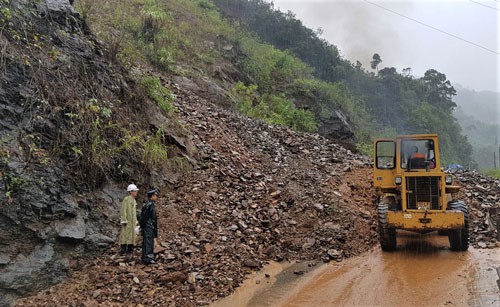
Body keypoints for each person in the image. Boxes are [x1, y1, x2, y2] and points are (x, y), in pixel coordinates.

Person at [140, 188, 159, 265]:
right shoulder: (150, 205)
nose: (156, 197)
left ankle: (145, 257)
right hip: (149, 226)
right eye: (155, 195)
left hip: (147, 226)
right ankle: (148, 257)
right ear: (152, 196)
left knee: (146, 241)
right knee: (148, 242)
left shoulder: (147, 204)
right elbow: (146, 217)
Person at [119, 184, 139, 254]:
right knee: (125, 235)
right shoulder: (126, 199)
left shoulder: (133, 200)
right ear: (131, 192)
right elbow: (123, 209)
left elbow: (134, 212)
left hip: (132, 221)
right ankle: (123, 249)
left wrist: (136, 220)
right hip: (127, 221)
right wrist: (124, 219)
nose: (136, 192)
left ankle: (130, 249)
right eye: (135, 191)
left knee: (132, 235)